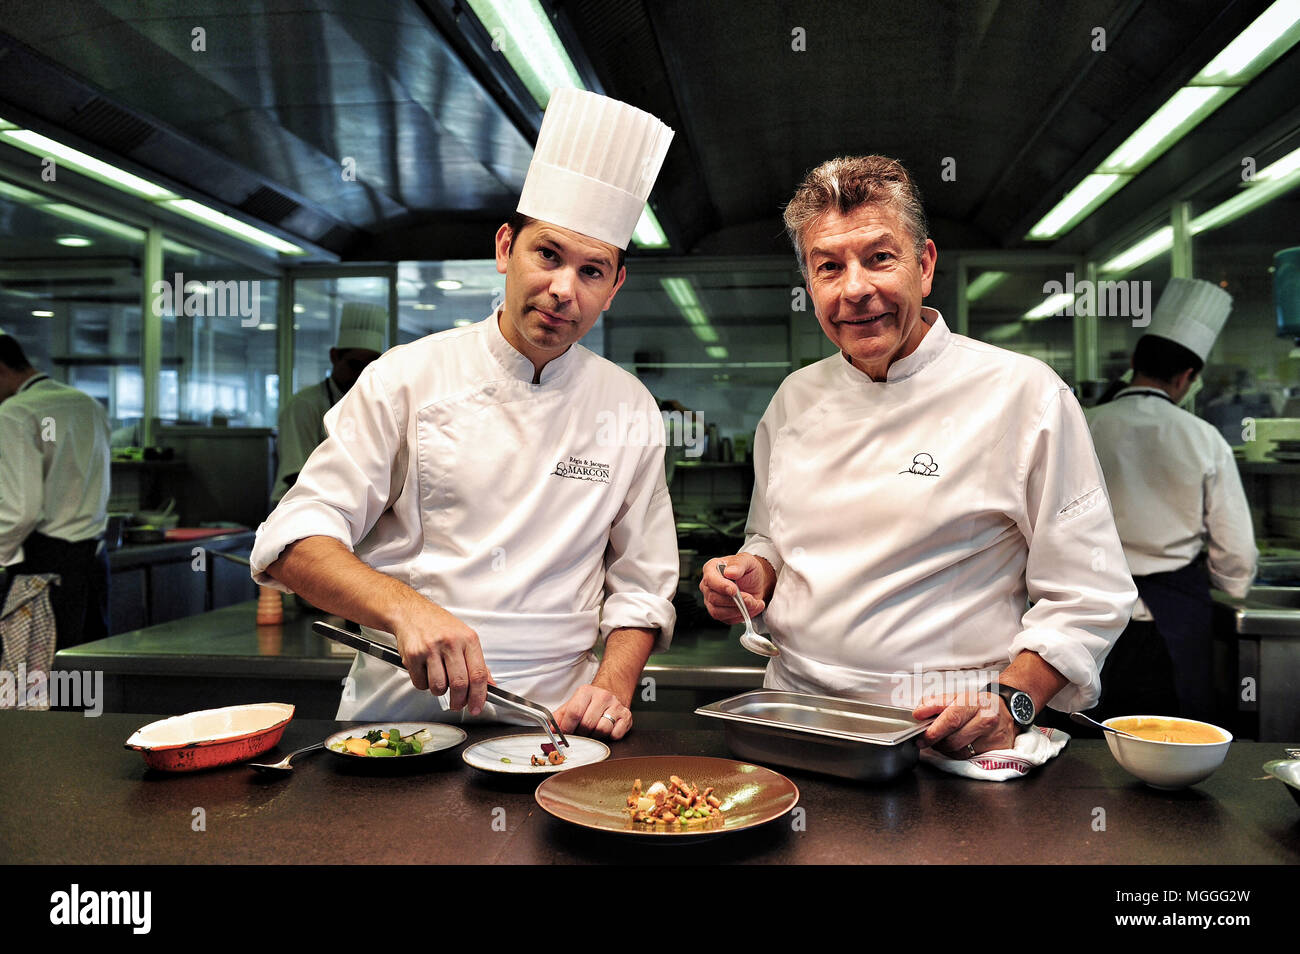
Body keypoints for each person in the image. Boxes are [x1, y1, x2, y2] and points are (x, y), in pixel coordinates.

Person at [251, 89, 677, 740]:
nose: (564, 290)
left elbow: (643, 587)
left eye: (593, 271)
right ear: (506, 247)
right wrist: (404, 607)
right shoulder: (406, 377)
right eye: (549, 255)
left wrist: (611, 687)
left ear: (614, 287)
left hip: (555, 737)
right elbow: (291, 543)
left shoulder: (628, 408)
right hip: (401, 727)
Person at [699, 155, 1137, 758]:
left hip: (948, 732)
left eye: (880, 258)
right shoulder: (794, 400)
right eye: (830, 267)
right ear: (810, 284)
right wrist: (756, 571)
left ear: (924, 265)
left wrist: (1012, 702)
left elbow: (1090, 593)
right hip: (799, 722)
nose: (855, 289)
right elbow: (770, 534)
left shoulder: (1024, 395)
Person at [1085, 279, 1256, 726]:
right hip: (1177, 616)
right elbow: (1235, 549)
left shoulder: (1083, 426)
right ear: (1187, 378)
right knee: (1177, 737)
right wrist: (1232, 589)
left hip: (1089, 615)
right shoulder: (1205, 439)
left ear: (1133, 363)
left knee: (1087, 740)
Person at [0, 334, 112, 647]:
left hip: (43, 569)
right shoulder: (88, 404)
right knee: (86, 674)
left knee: (36, 684)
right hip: (92, 563)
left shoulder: (15, 413)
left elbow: (20, 510)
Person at [271, 301, 386, 504]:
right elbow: (295, 476)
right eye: (354, 365)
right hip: (298, 509)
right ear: (334, 357)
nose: (361, 374)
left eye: (369, 367)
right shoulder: (304, 405)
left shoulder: (373, 406)